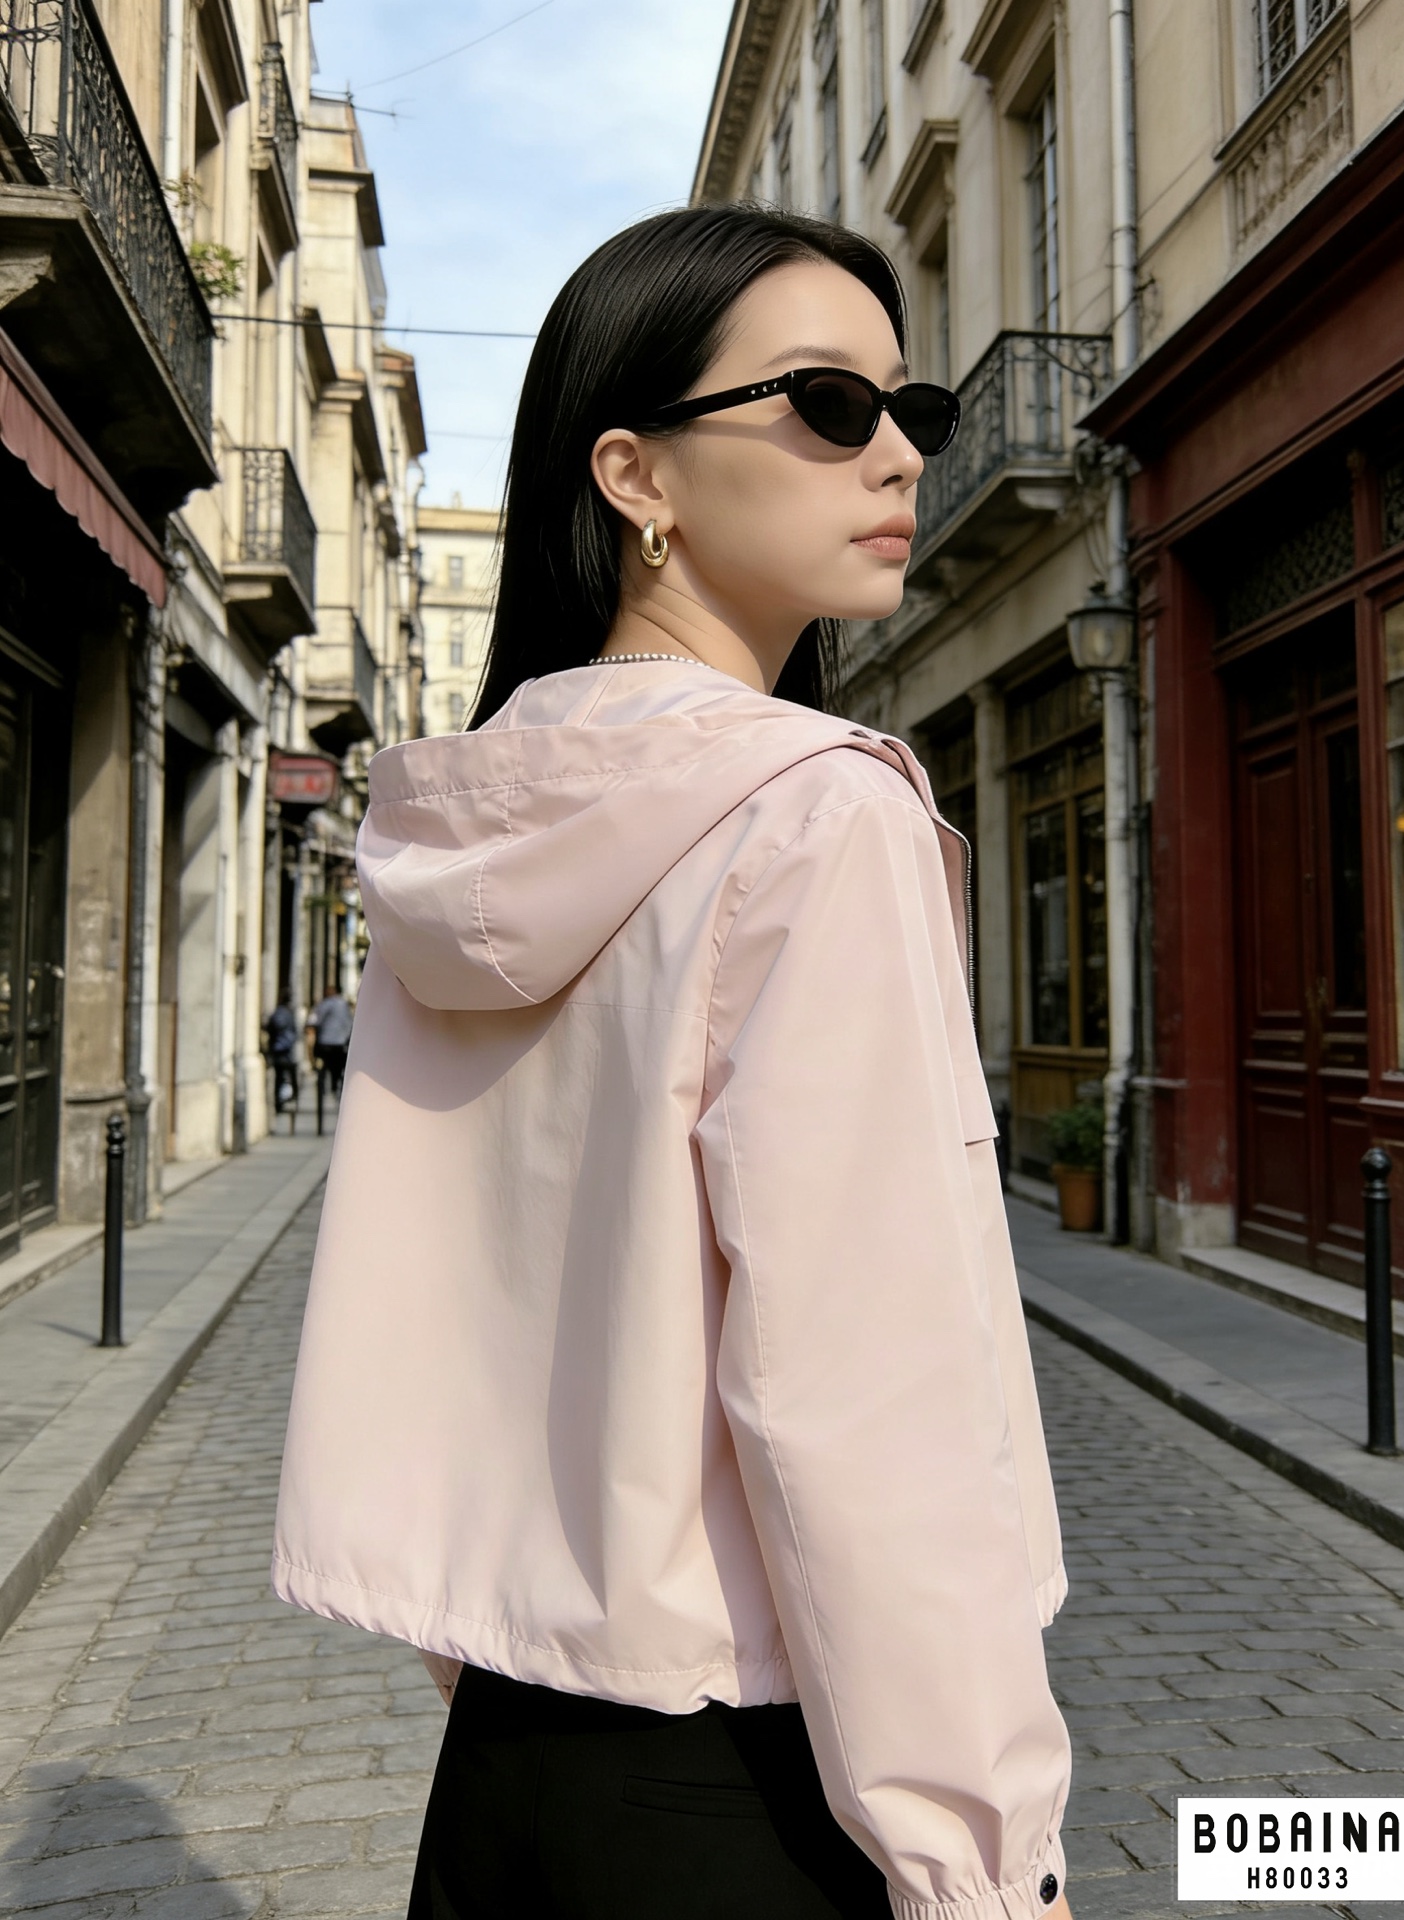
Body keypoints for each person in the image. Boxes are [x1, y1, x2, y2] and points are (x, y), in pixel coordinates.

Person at [274, 205, 1074, 1920]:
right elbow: (865, 1390)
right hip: (752, 1791)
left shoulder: (467, 824)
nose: (899, 454)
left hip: (508, 1766)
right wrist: (985, 1861)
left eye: (911, 408)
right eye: (829, 405)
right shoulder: (816, 813)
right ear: (635, 476)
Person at [304, 982, 352, 1095]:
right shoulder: (344, 1005)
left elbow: (314, 1020)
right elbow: (350, 1023)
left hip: (325, 1043)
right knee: (338, 1069)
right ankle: (336, 1088)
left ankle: (322, 1088)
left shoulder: (324, 1004)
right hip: (340, 1043)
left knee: (322, 1066)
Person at [263, 987, 299, 1113]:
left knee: (279, 1077)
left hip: (278, 1050)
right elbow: (294, 1031)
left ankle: (278, 1102)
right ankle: (294, 1097)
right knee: (292, 1074)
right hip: (288, 1050)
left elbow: (270, 1028)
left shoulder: (277, 1013)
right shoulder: (290, 1014)